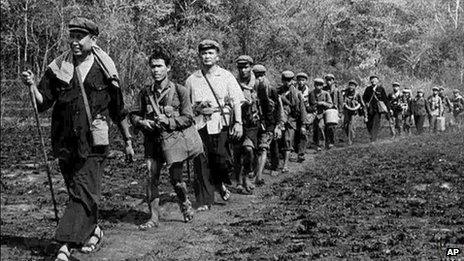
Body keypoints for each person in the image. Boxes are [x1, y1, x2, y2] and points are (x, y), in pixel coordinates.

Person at [21, 17, 135, 261]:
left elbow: (118, 109)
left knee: (82, 191)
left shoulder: (105, 68)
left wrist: (127, 141)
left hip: (95, 142)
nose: (74, 41)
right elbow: (42, 102)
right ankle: (93, 230)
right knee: (81, 191)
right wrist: (31, 87)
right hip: (64, 143)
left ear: (93, 40)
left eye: (79, 37)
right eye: (71, 36)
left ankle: (62, 243)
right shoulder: (58, 66)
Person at [129, 47, 195, 229]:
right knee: (151, 178)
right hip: (152, 141)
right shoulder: (145, 93)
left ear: (168, 67)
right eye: (153, 66)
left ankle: (184, 203)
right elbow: (133, 115)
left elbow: (188, 117)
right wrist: (142, 123)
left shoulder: (180, 91)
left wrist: (169, 121)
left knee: (176, 180)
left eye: (159, 66)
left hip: (174, 141)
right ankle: (154, 218)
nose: (156, 70)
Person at [185, 39, 244, 211]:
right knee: (201, 161)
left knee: (220, 160)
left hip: (220, 123)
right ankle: (204, 200)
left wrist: (238, 123)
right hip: (199, 124)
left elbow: (236, 102)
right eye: (204, 53)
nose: (207, 56)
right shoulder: (192, 79)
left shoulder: (226, 76)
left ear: (217, 56)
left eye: (211, 53)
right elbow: (186, 106)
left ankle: (219, 182)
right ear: (199, 56)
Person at [233, 55, 259, 194]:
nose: (243, 70)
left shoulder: (258, 83)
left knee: (249, 150)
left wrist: (273, 125)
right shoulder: (233, 82)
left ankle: (247, 175)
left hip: (252, 123)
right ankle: (238, 181)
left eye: (246, 67)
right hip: (236, 121)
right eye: (240, 67)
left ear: (251, 67)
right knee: (237, 153)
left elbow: (266, 104)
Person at [253, 64, 283, 186]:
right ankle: (256, 170)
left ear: (265, 76)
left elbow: (278, 109)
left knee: (265, 147)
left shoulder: (272, 90)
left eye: (261, 75)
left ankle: (261, 175)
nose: (259, 79)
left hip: (270, 123)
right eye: (256, 76)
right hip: (257, 123)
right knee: (256, 148)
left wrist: (278, 125)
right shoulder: (251, 90)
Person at [278, 70, 306, 172]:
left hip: (292, 119)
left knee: (288, 140)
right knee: (278, 141)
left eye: (289, 80)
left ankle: (285, 165)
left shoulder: (297, 94)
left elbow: (302, 109)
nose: (287, 82)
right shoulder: (278, 91)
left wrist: (303, 125)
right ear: (282, 80)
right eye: (285, 80)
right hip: (279, 120)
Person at [362, 75, 391, 142]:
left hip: (377, 110)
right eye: (372, 80)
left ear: (377, 81)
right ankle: (371, 135)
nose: (373, 81)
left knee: (376, 123)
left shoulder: (381, 89)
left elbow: (385, 99)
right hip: (369, 109)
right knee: (369, 124)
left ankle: (373, 139)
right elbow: (364, 98)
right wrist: (366, 103)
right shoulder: (368, 89)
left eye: (375, 80)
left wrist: (389, 109)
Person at [308, 78, 333, 151]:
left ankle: (321, 144)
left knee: (320, 127)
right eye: (317, 84)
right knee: (314, 129)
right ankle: (315, 143)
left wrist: (323, 103)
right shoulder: (311, 93)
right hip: (313, 114)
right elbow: (308, 104)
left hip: (323, 114)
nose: (318, 86)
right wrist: (311, 109)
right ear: (314, 85)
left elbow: (330, 104)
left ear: (322, 86)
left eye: (320, 85)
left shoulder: (326, 93)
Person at [342, 80, 367, 145]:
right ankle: (351, 136)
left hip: (353, 112)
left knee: (351, 126)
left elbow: (363, 104)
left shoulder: (358, 94)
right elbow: (342, 100)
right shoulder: (345, 93)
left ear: (355, 87)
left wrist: (365, 116)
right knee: (345, 126)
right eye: (350, 85)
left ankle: (350, 141)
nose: (351, 87)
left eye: (353, 85)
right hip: (346, 111)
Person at [323, 74, 343, 148]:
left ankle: (332, 141)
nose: (328, 82)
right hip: (325, 109)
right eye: (327, 80)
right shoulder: (324, 89)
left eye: (330, 80)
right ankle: (326, 142)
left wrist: (340, 112)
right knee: (325, 126)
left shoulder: (337, 90)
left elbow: (340, 101)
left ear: (333, 81)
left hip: (334, 110)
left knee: (332, 126)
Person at [295, 72, 310, 161]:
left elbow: (312, 106)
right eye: (299, 80)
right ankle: (296, 151)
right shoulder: (294, 90)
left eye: (303, 80)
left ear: (305, 81)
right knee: (296, 134)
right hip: (296, 115)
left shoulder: (308, 92)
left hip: (305, 115)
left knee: (303, 134)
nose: (301, 82)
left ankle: (301, 153)